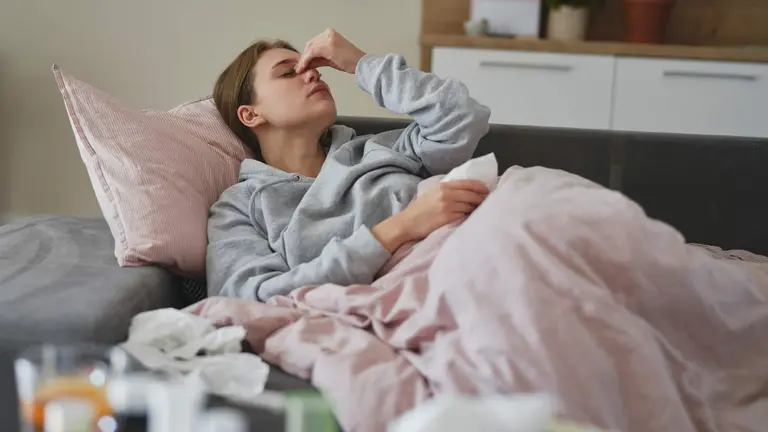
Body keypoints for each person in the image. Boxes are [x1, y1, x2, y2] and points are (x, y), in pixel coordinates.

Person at [207, 29, 492, 301]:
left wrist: (360, 63)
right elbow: (250, 297)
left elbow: (463, 117)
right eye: (288, 72)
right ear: (251, 115)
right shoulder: (240, 207)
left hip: (472, 258)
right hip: (404, 299)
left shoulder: (380, 149)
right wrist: (401, 227)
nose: (312, 74)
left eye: (314, 69)